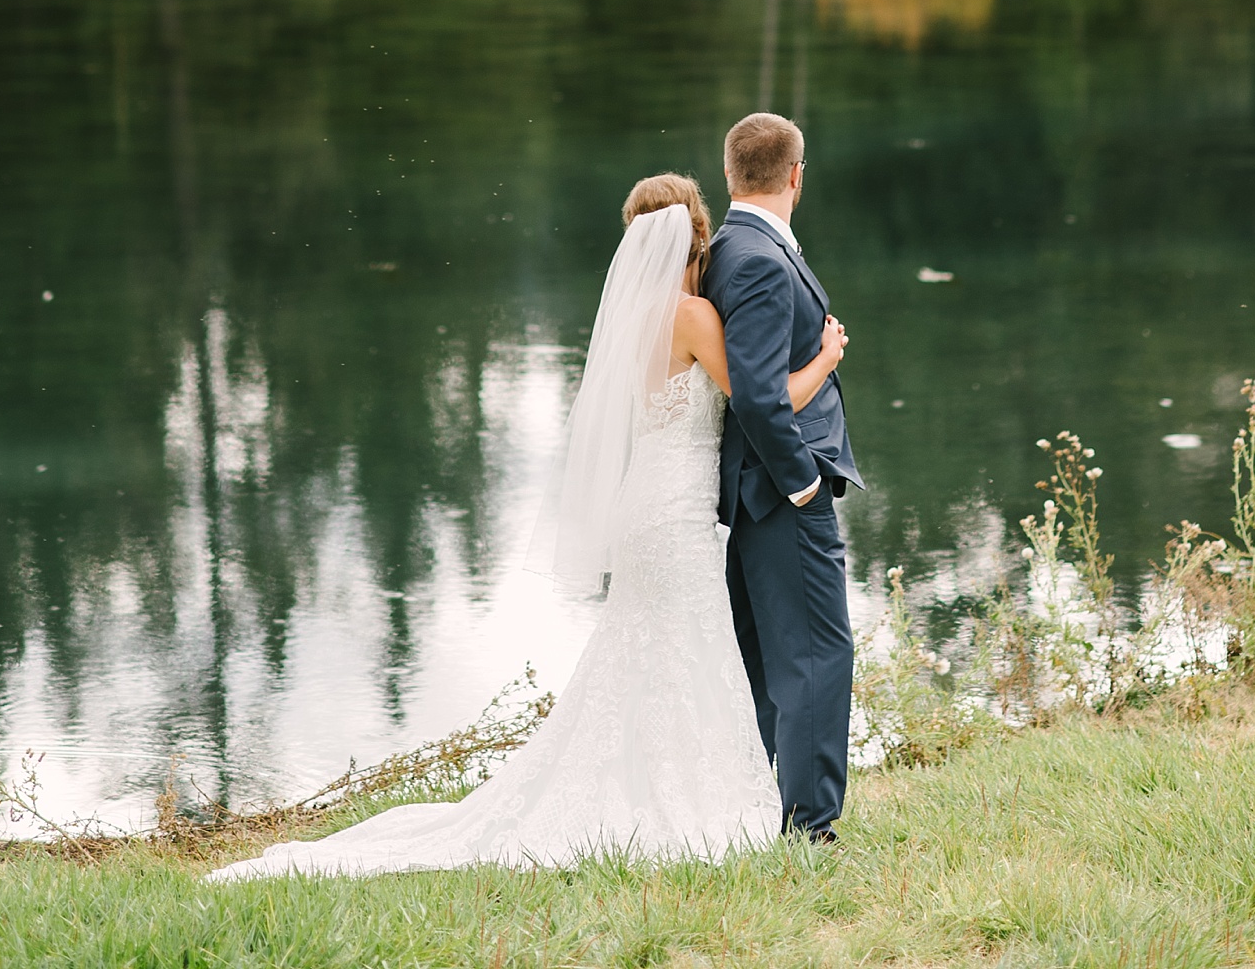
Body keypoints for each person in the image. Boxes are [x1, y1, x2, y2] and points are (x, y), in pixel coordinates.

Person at [208, 169, 849, 880]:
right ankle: (686, 798)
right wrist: (825, 356)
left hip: (647, 506)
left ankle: (659, 786)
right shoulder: (694, 317)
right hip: (676, 516)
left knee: (651, 652)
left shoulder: (632, 321)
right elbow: (762, 403)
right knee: (684, 648)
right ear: (698, 235)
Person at [702, 112, 863, 843]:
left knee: (770, 658)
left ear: (733, 173)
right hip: (780, 492)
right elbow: (759, 396)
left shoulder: (728, 246)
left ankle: (763, 809)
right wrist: (802, 485)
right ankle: (811, 829)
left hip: (750, 491)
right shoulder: (761, 259)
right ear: (796, 174)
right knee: (817, 655)